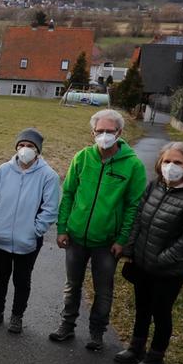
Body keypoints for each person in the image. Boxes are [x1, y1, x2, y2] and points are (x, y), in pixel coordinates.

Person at [51, 108, 148, 350]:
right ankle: (67, 325)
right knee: (72, 285)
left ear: (120, 132)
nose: (104, 135)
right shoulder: (82, 158)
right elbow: (69, 194)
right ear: (93, 132)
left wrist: (122, 239)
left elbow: (134, 207)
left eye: (109, 131)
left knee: (103, 289)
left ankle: (97, 333)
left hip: (107, 242)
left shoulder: (133, 166)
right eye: (100, 131)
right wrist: (62, 228)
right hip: (76, 237)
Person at [117, 141, 183, 364]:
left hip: (168, 271)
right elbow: (139, 218)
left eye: (177, 162)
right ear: (160, 163)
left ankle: (155, 357)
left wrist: (162, 258)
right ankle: (136, 347)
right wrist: (130, 251)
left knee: (161, 312)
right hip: (143, 263)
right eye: (167, 161)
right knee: (142, 307)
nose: (171, 166)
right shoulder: (155, 186)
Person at [0, 128, 60, 333]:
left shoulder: (48, 176)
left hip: (28, 240)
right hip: (0, 236)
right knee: (0, 277)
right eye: (21, 145)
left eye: (30, 146)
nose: (25, 150)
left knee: (22, 280)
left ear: (38, 150)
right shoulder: (3, 170)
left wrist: (36, 230)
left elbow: (50, 208)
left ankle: (17, 316)